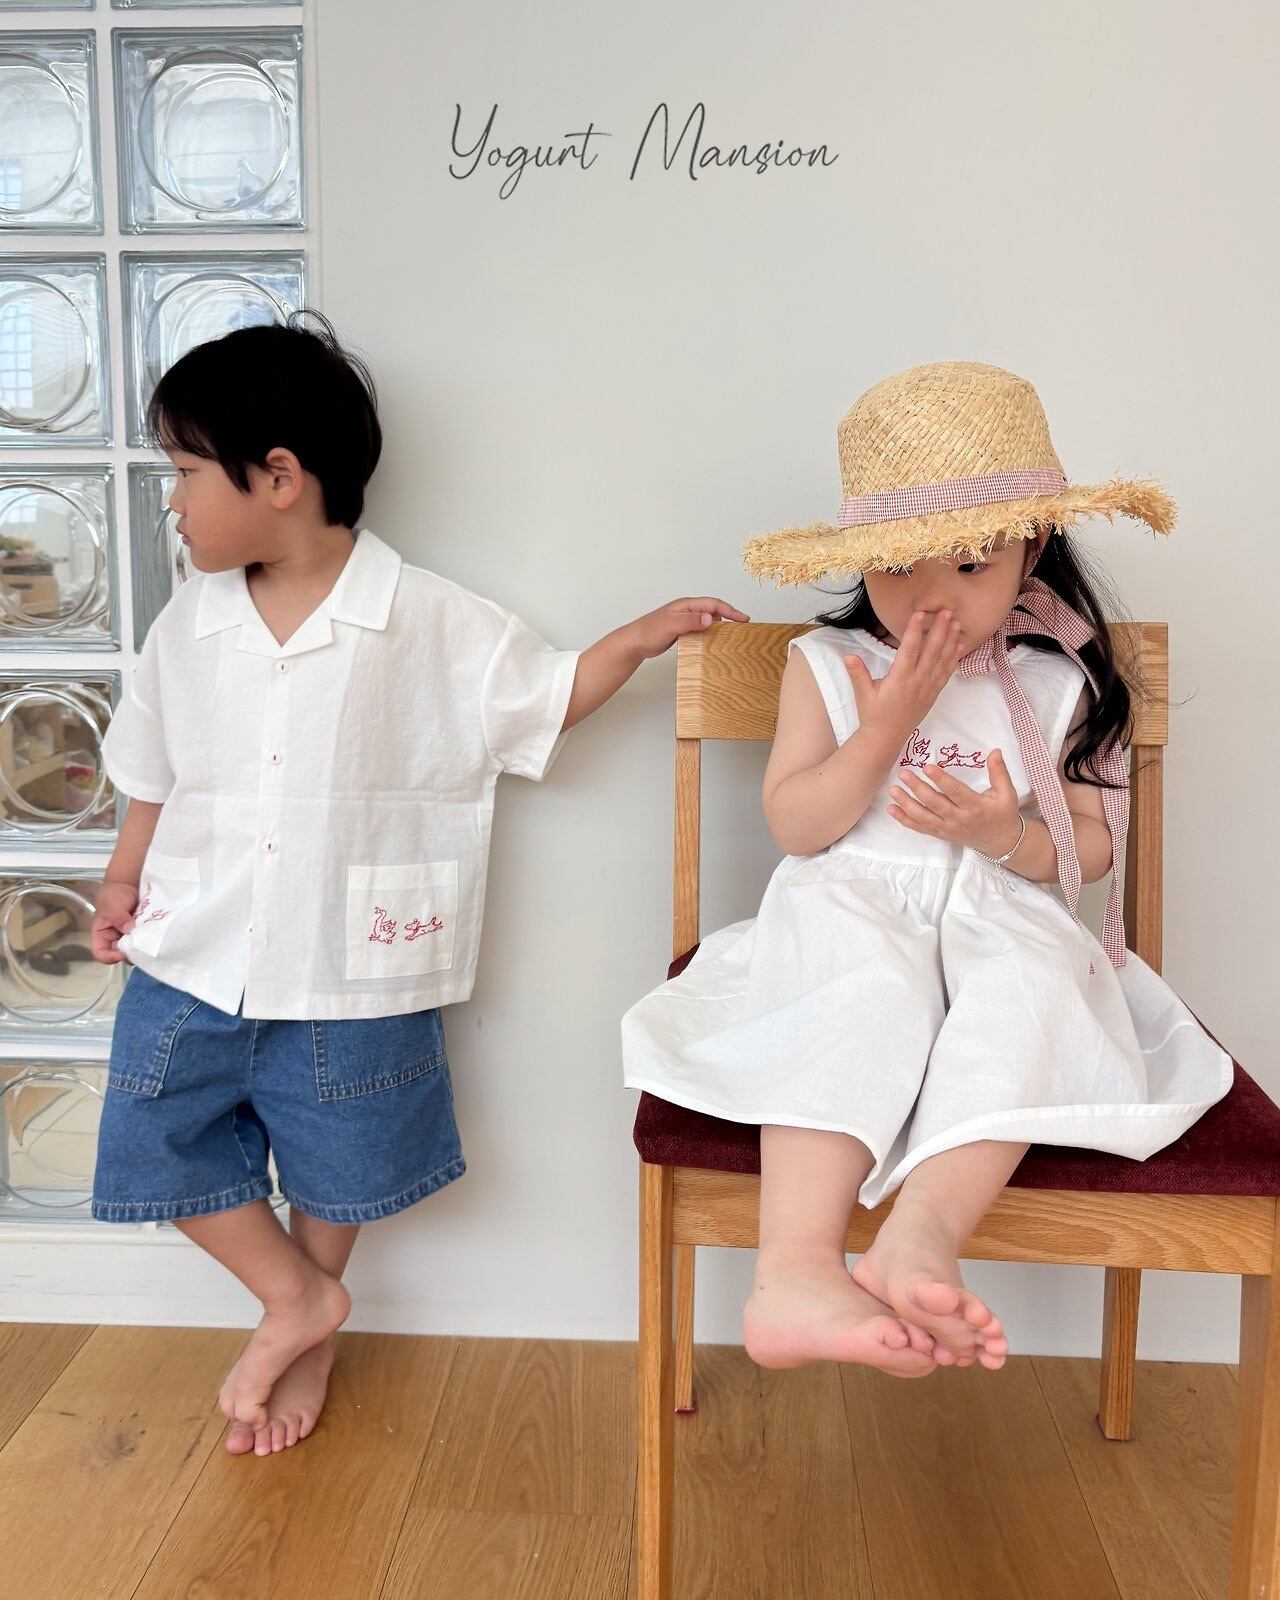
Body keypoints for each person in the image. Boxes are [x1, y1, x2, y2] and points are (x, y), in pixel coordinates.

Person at [89, 310, 747, 1456]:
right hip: (195, 942)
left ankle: (308, 1327)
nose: (174, 504)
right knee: (152, 1133)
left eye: (185, 473)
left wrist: (635, 639)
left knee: (344, 1154)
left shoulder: (428, 618)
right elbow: (153, 767)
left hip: (352, 960)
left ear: (279, 477)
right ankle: (296, 1298)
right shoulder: (188, 621)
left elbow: (540, 697)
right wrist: (119, 878)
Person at [621, 360, 1232, 1380]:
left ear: (1031, 548)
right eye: (898, 565)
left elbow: (1087, 850)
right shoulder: (828, 666)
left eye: (969, 565)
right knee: (856, 986)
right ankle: (793, 1271)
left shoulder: (1060, 679)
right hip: (856, 899)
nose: (928, 598)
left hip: (998, 909)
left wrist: (1004, 835)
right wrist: (885, 726)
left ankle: (920, 1237)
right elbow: (797, 825)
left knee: (1031, 989)